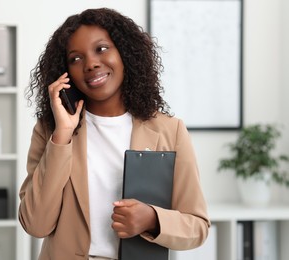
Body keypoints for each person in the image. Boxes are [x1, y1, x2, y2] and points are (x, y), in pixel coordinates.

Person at [19, 7, 210, 260]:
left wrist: (152, 219)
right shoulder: (51, 130)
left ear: (125, 53)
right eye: (76, 58)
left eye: (101, 49)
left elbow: (197, 226)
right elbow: (35, 224)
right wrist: (62, 135)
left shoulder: (169, 131)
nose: (91, 64)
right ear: (65, 74)